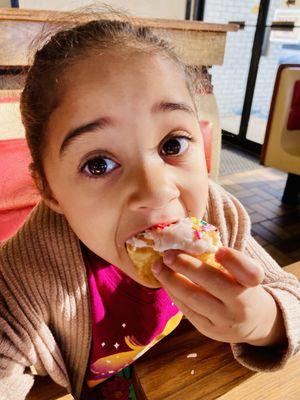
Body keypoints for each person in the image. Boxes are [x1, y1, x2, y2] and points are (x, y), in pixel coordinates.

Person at [0, 14, 299, 400]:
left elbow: (289, 297)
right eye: (99, 164)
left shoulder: (216, 215)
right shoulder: (22, 279)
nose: (157, 191)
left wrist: (261, 319)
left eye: (172, 145)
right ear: (50, 190)